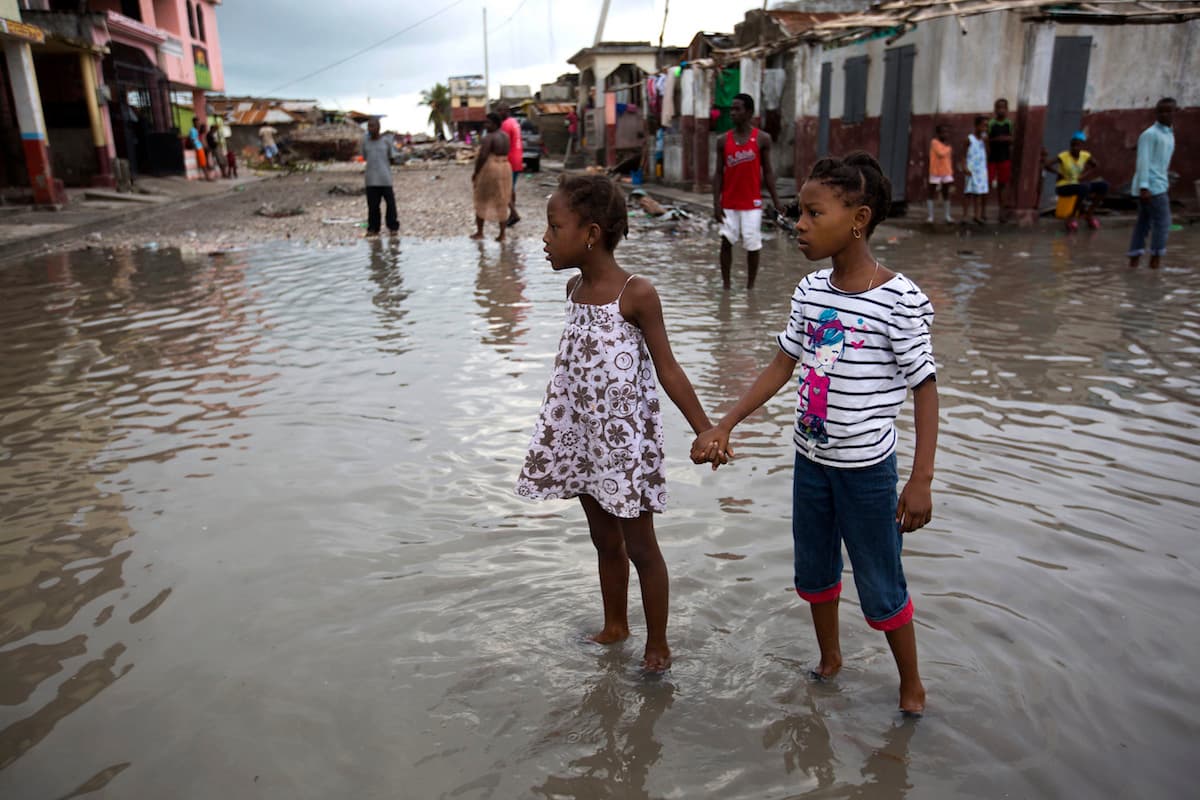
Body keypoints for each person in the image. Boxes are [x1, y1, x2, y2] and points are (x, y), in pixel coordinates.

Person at [691, 152, 937, 715]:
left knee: (881, 579)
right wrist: (725, 422)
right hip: (812, 463)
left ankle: (912, 685)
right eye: (798, 212)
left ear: (859, 218)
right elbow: (783, 364)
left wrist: (920, 479)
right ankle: (830, 659)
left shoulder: (898, 300)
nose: (798, 224)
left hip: (868, 473)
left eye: (813, 213)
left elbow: (926, 389)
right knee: (815, 571)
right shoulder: (810, 291)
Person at [515, 174, 718, 672]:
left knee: (641, 547)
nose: (544, 237)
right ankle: (615, 626)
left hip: (623, 445)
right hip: (583, 438)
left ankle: (658, 646)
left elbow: (668, 368)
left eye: (554, 226)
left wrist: (705, 428)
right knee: (604, 541)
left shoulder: (636, 293)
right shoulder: (573, 289)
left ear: (591, 233)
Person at [712, 93, 783, 291]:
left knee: (753, 244)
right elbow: (718, 174)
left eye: (737, 109)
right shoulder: (722, 140)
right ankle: (726, 286)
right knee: (726, 241)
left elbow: (768, 172)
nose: (732, 113)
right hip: (729, 202)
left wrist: (777, 201)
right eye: (731, 109)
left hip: (752, 203)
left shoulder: (762, 139)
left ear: (749, 112)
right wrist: (716, 203)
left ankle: (750, 288)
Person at [1127, 97, 1176, 269]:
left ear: (1175, 113)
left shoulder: (1169, 134)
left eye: (1168, 111)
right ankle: (1155, 260)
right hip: (1152, 187)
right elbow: (1143, 162)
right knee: (1163, 223)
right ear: (1156, 113)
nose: (1165, 114)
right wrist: (1144, 187)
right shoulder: (1149, 134)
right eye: (1161, 111)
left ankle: (1134, 261)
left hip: (1160, 184)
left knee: (1143, 223)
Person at [1042, 132, 1108, 232]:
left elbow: (1095, 165)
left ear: (1082, 147)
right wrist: (1058, 173)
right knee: (1084, 187)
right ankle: (1072, 216)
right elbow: (1046, 165)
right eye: (1073, 145)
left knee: (1104, 186)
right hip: (1063, 186)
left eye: (1078, 145)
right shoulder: (1064, 156)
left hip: (1077, 184)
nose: (1075, 148)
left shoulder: (1085, 155)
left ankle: (1089, 214)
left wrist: (1084, 175)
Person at [471, 112, 513, 241]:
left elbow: (483, 156)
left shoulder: (489, 137)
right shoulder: (505, 136)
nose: (485, 125)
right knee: (503, 199)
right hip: (506, 166)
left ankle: (480, 232)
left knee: (481, 198)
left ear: (495, 124)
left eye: (488, 122)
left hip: (492, 167)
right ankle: (502, 234)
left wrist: (476, 172)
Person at [362, 118, 398, 237]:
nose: (370, 129)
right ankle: (373, 228)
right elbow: (365, 156)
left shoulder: (386, 141)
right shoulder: (365, 142)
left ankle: (392, 227)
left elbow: (392, 157)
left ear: (378, 127)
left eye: (372, 126)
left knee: (390, 204)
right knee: (373, 206)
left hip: (385, 178)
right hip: (371, 179)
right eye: (369, 126)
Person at [987, 98, 1015, 222]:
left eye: (1003, 107)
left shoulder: (1009, 123)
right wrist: (997, 140)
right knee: (987, 183)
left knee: (1002, 185)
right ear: (995, 109)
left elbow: (1013, 139)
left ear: (1007, 109)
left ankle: (1001, 211)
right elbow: (986, 139)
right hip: (992, 158)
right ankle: (982, 211)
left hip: (1004, 157)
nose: (1001, 110)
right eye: (998, 107)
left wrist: (1007, 139)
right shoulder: (991, 123)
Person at [496, 104, 524, 226]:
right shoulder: (514, 122)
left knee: (503, 189)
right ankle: (512, 215)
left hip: (509, 160)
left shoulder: (505, 125)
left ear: (506, 111)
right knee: (511, 188)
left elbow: (503, 144)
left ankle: (514, 214)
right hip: (517, 158)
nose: (498, 113)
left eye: (500, 110)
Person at [960, 116, 988, 224]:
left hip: (981, 170)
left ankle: (977, 215)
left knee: (979, 193)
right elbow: (963, 154)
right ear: (976, 126)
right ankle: (965, 215)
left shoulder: (984, 140)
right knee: (968, 192)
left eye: (986, 126)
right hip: (971, 170)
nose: (985, 129)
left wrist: (987, 142)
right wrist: (964, 166)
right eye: (983, 126)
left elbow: (988, 153)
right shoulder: (969, 139)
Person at [927, 124, 954, 223]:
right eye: (943, 132)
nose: (945, 134)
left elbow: (948, 159)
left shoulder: (947, 145)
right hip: (935, 171)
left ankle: (947, 216)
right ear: (938, 134)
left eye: (947, 132)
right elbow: (941, 153)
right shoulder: (934, 142)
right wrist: (948, 148)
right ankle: (930, 216)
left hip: (946, 172)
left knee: (946, 193)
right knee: (931, 192)